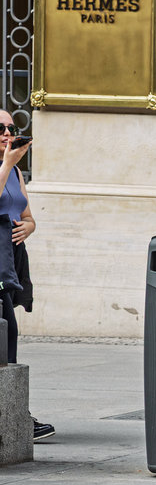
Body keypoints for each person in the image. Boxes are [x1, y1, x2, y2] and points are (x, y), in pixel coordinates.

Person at [0, 112, 44, 441]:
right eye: (0, 129)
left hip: (11, 258)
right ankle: (14, 417)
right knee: (7, 331)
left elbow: (27, 216)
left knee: (8, 331)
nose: (7, 133)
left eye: (11, 128)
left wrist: (28, 227)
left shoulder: (15, 171)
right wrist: (6, 163)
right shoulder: (8, 167)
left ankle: (15, 415)